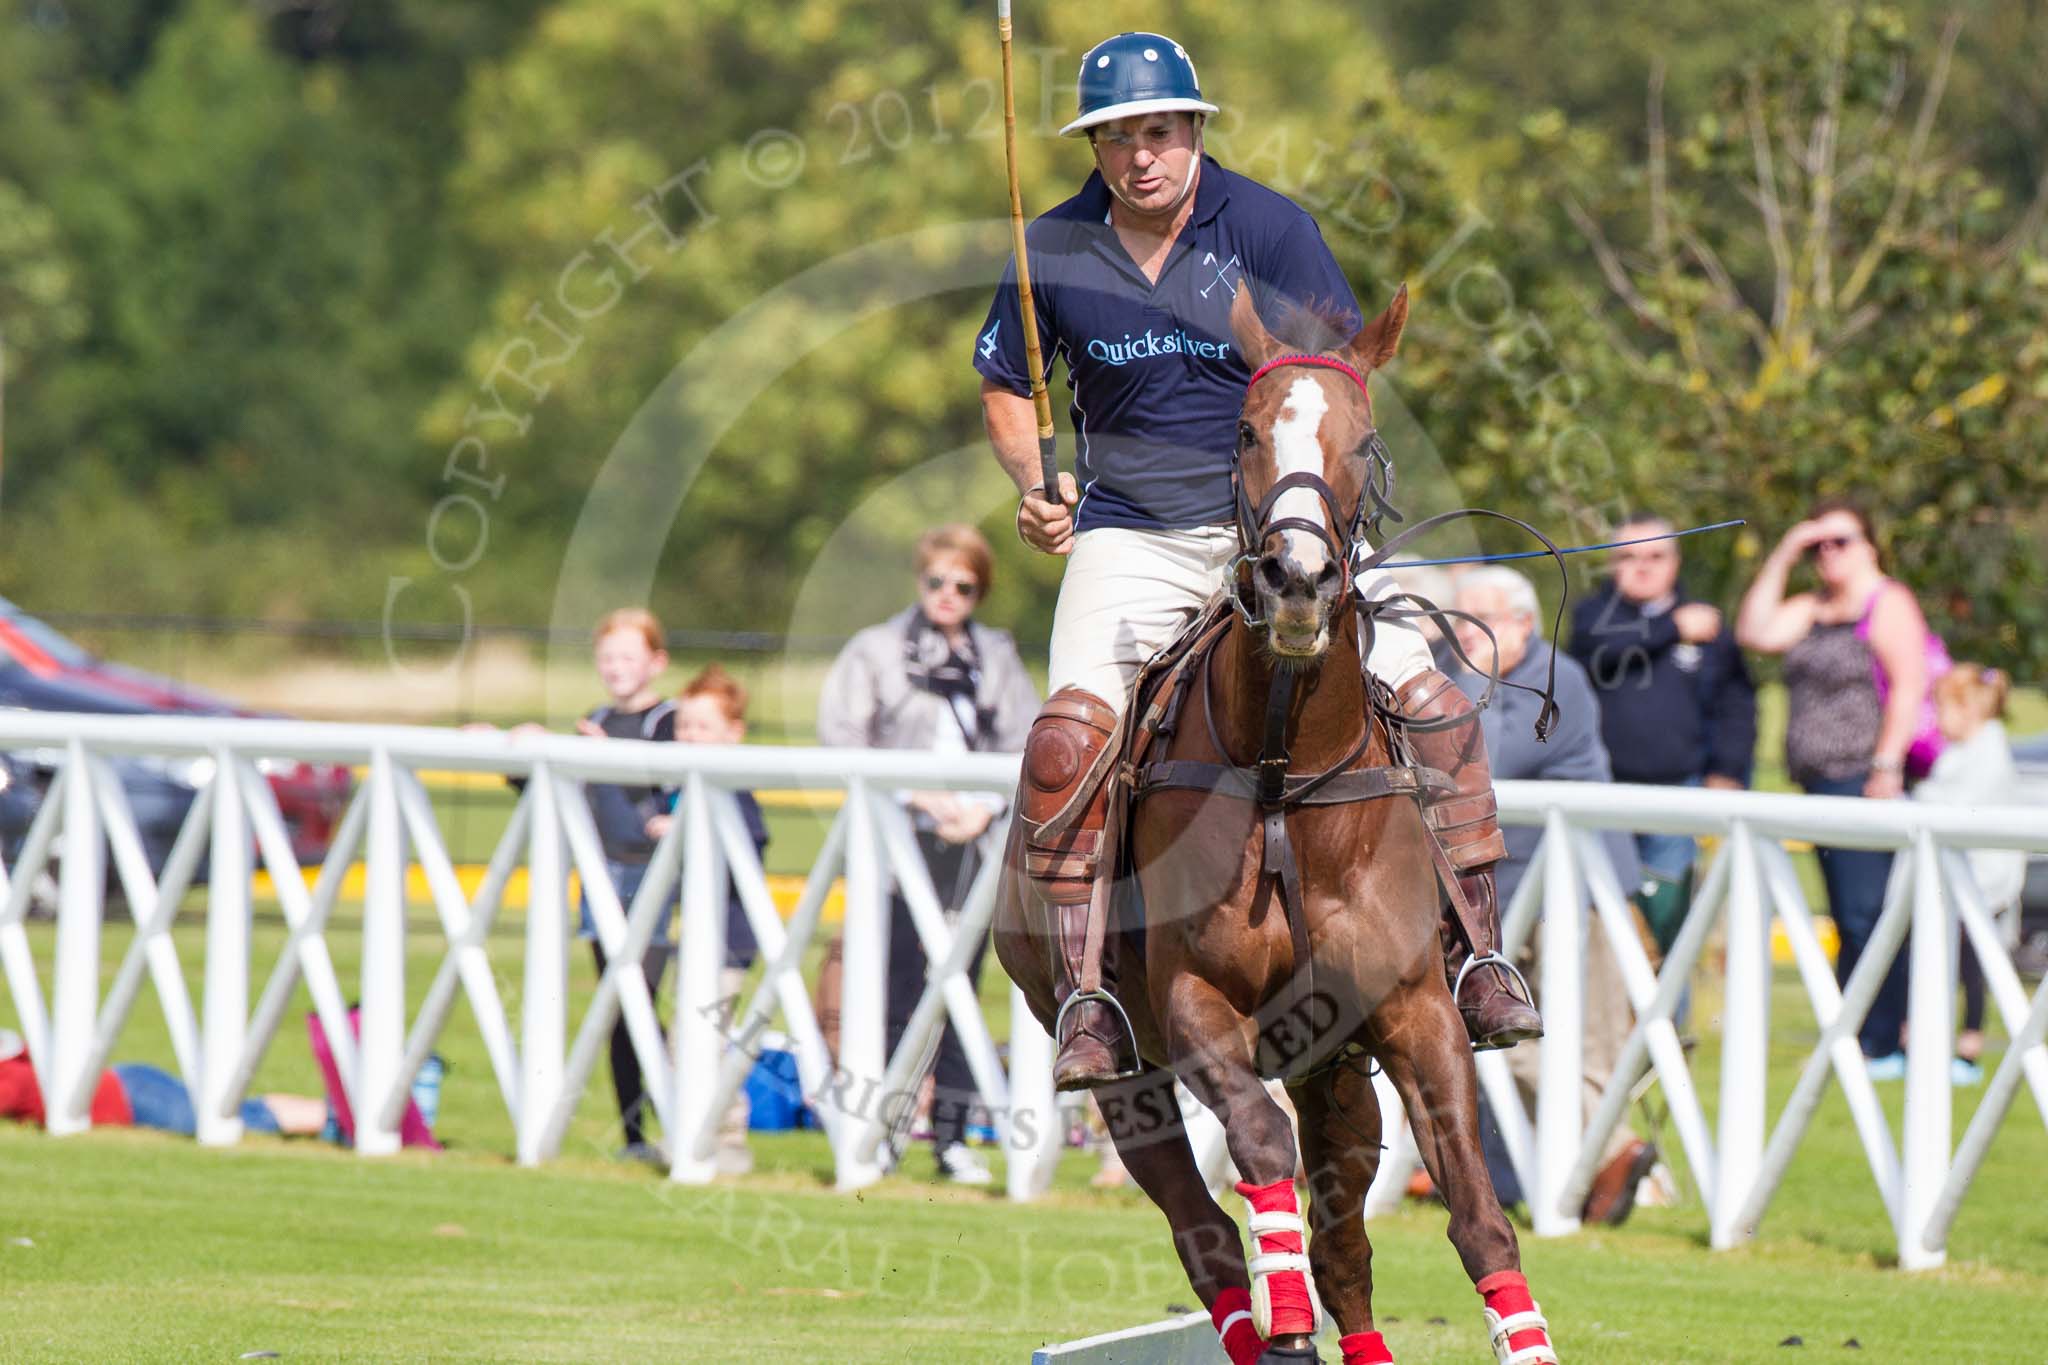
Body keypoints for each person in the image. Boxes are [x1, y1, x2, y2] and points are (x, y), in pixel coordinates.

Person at [975, 31, 1538, 1087]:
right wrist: (1032, 483)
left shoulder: (1270, 228)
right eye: (1114, 138)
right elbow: (1009, 382)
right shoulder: (1047, 246)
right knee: (1065, 743)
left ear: (1191, 130)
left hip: (1290, 527)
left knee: (1431, 702)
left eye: (1156, 131)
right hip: (1133, 532)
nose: (1138, 155)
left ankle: (1478, 957)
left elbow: (1334, 374)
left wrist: (1307, 499)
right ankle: (1090, 997)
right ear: (1091, 149)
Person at [818, 524, 1038, 1184]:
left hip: (976, 831)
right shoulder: (876, 649)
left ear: (979, 591)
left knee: (964, 985)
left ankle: (952, 1139)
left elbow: (1025, 738)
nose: (948, 595)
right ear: (920, 581)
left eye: (963, 585)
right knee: (894, 983)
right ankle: (882, 1130)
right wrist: (920, 792)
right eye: (937, 581)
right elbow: (842, 738)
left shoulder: (994, 654)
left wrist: (984, 805)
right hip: (896, 833)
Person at [1450, 567, 1656, 1225]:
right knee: (1506, 1036)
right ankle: (1610, 1161)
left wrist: (1458, 676)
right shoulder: (1479, 672)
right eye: (1457, 618)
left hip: (1582, 894)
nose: (1458, 632)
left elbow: (1478, 759)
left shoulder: (1553, 676)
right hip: (1513, 896)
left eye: (1474, 618)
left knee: (1588, 1044)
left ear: (1520, 624)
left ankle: (1614, 1163)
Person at [1736, 500, 1947, 1079]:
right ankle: (1860, 1033)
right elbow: (1755, 631)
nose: (1829, 553)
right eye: (1819, 546)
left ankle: (1881, 1039)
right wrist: (1786, 547)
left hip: (1863, 776)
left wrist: (1886, 767)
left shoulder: (1888, 603)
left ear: (1870, 545)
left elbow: (1908, 686)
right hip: (1819, 780)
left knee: (1866, 913)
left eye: (1841, 541)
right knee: (1848, 913)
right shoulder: (1814, 607)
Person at [1567, 513, 1757, 951]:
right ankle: (1610, 1021)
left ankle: (1672, 1019)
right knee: (1605, 921)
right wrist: (1672, 628)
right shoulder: (1593, 616)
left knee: (1671, 926)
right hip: (1601, 794)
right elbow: (1602, 651)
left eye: (1656, 555)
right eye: (1628, 556)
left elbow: (1737, 705)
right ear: (1611, 565)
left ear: (1676, 561)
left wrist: (1727, 771)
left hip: (1678, 793)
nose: (1643, 566)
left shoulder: (1708, 626)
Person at [643, 663, 771, 1173]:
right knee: (687, 1038)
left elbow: (746, 845)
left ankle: (728, 1137)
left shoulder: (733, 791)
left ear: (733, 735)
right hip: (695, 937)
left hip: (728, 941)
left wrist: (684, 826)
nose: (691, 738)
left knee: (707, 1039)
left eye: (703, 729)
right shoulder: (684, 786)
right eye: (684, 728)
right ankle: (694, 1132)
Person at [574, 607, 680, 1161]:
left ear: (655, 663)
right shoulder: (594, 718)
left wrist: (603, 757)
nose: (616, 667)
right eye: (608, 656)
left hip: (649, 873)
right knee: (617, 1004)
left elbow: (670, 785)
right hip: (600, 873)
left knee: (642, 997)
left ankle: (679, 1117)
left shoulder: (667, 719)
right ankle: (635, 1137)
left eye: (628, 657)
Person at [1916, 664, 2028, 1086]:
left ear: (1966, 709)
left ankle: (1969, 1046)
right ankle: (1935, 1041)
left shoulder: (1989, 750)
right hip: (1961, 874)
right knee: (1953, 960)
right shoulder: (1963, 749)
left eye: (1941, 708)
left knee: (1973, 964)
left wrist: (1922, 797)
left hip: (1984, 878)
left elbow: (1962, 804)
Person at [1, 1028, 328, 1138]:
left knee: (242, 1120)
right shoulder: (21, 1061)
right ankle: (333, 1114)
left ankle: (333, 1118)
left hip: (137, 1100)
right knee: (242, 1112)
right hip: (132, 1082)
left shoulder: (9, 1075)